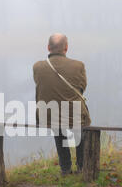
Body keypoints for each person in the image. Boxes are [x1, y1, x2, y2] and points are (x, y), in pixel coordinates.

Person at [33, 33, 91, 175]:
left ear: (48, 47)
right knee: (79, 126)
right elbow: (81, 88)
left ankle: (65, 168)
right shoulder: (78, 65)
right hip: (74, 115)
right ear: (66, 48)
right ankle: (82, 166)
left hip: (48, 114)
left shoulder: (37, 66)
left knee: (57, 125)